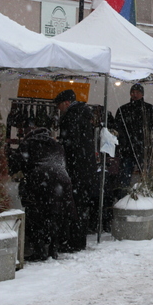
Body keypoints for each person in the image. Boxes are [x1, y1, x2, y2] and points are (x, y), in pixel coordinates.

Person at [8, 124, 76, 261]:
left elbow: (16, 164)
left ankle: (39, 250)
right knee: (56, 214)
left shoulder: (28, 143)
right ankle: (53, 248)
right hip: (63, 179)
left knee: (37, 214)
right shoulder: (56, 144)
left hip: (41, 178)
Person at [53, 89, 97, 252]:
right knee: (82, 205)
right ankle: (79, 240)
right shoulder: (85, 114)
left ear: (66, 103)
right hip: (86, 167)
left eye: (59, 106)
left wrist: (61, 148)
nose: (59, 110)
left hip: (76, 168)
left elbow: (71, 144)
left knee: (74, 205)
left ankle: (73, 241)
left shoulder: (71, 117)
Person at [114, 83, 153, 195]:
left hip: (144, 150)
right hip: (128, 150)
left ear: (142, 94)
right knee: (124, 180)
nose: (134, 94)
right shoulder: (123, 110)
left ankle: (147, 199)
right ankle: (122, 201)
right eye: (133, 92)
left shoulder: (150, 110)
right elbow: (117, 129)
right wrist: (122, 144)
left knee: (146, 179)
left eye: (137, 92)